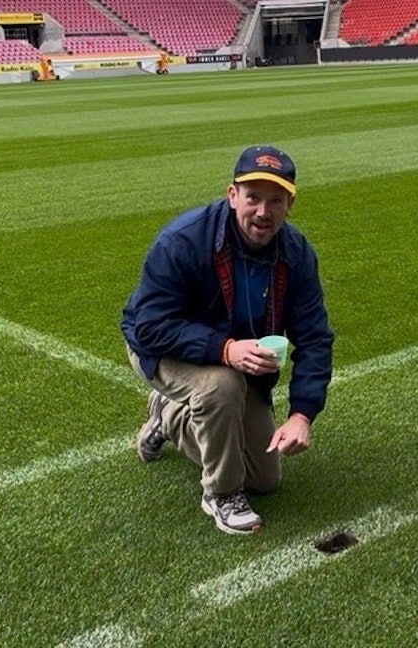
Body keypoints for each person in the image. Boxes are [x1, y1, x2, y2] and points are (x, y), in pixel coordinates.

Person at [121, 145, 334, 535]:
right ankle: (220, 493)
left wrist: (302, 414)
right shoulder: (183, 241)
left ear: (290, 204)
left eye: (276, 201)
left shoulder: (296, 254)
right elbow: (149, 326)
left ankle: (168, 418)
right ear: (232, 195)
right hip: (160, 348)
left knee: (266, 478)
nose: (263, 212)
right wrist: (225, 349)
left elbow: (315, 337)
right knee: (222, 384)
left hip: (233, 355)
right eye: (252, 198)